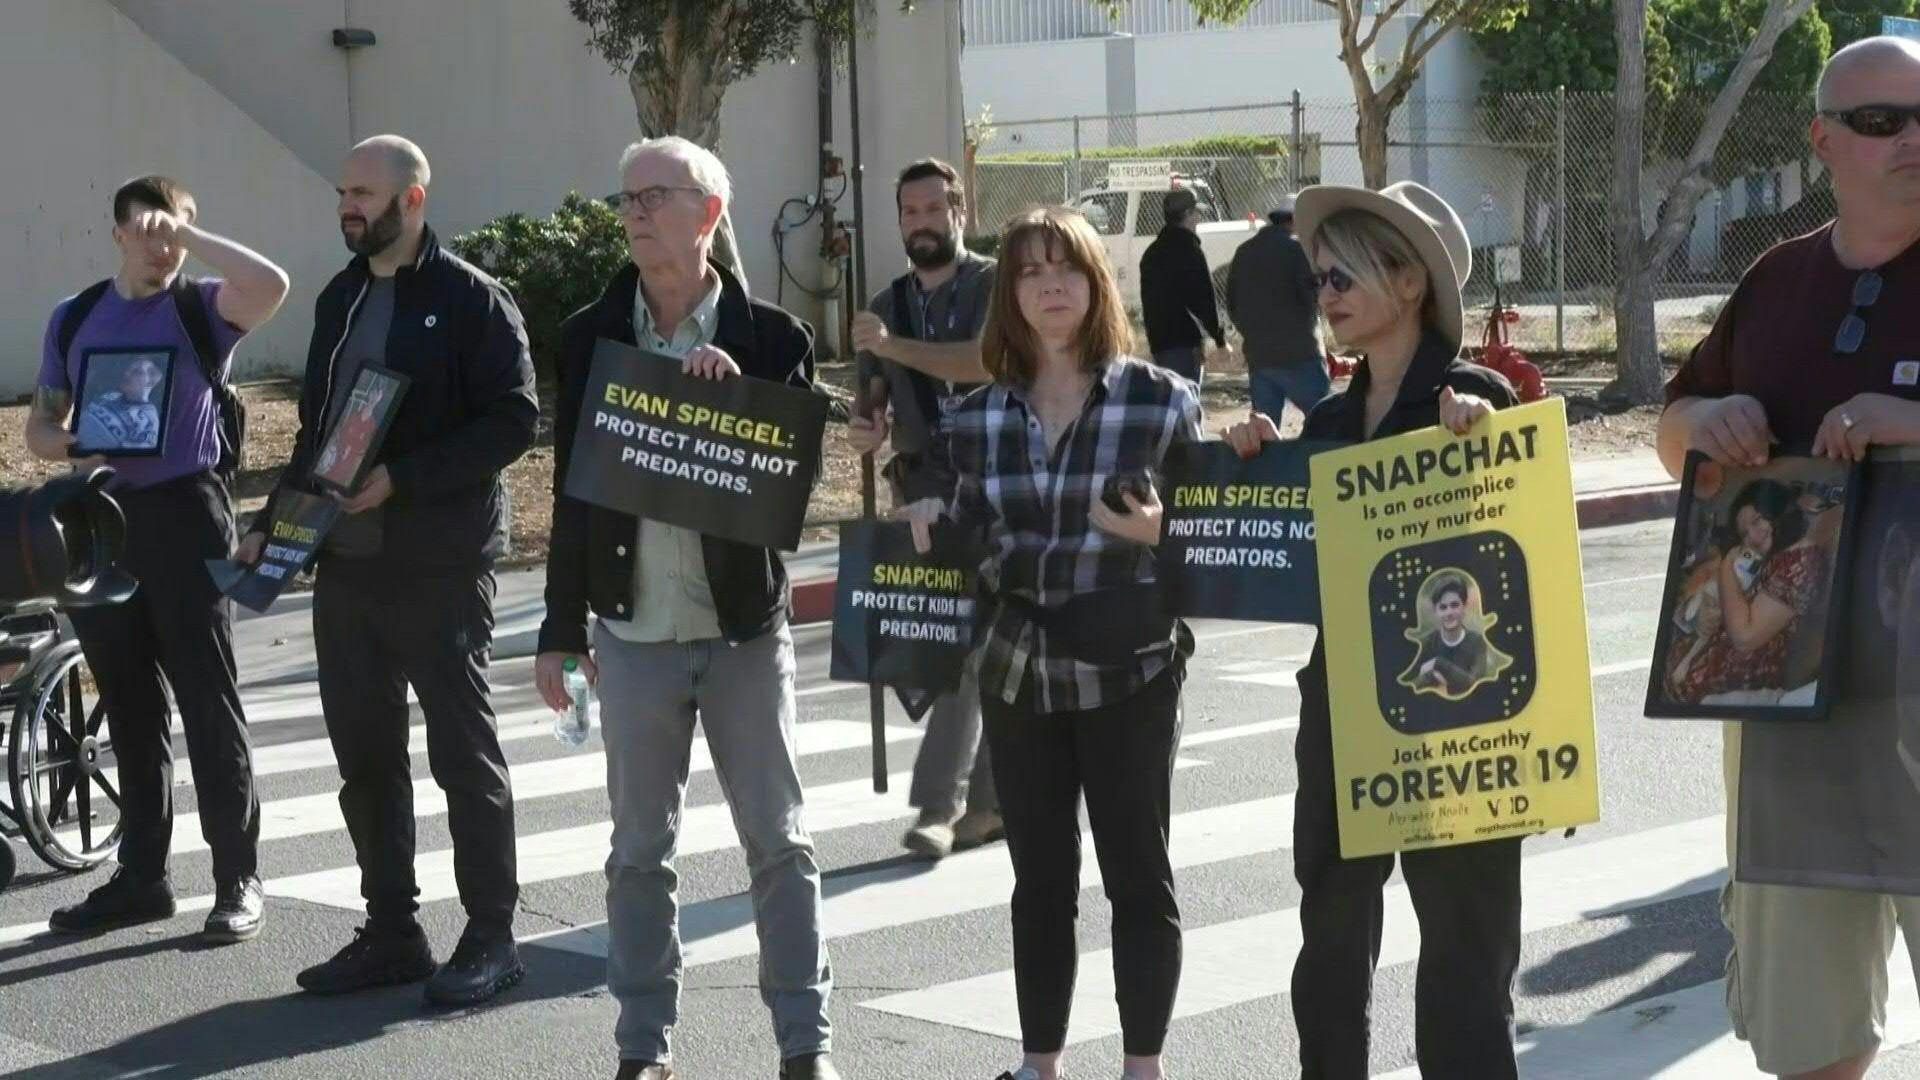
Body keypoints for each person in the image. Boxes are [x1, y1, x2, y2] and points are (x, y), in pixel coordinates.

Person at [536, 137, 838, 1080]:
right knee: (637, 853)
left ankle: (805, 1046)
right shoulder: (590, 336)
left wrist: (739, 397)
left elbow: (795, 487)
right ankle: (643, 1048)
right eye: (625, 198)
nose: (633, 213)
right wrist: (558, 631)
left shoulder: (774, 337)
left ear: (708, 213)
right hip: (633, 631)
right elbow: (573, 494)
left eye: (654, 196)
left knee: (779, 844)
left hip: (743, 629)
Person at [1654, 35, 1920, 1080]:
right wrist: (1708, 419)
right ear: (1823, 141)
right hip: (1787, 707)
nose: (1912, 139)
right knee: (1809, 1035)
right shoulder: (1776, 279)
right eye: (1882, 121)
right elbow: (1674, 426)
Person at [1226, 180, 1523, 1078]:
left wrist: (1484, 431)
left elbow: (1522, 527)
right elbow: (1292, 563)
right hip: (1344, 707)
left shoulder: (1474, 395)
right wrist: (1255, 466)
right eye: (1319, 278)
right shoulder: (1326, 418)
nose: (1326, 294)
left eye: (1343, 275)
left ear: (1409, 283)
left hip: (1455, 718)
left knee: (1465, 943)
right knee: (1331, 925)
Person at [902, 205, 1202, 1080]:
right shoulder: (973, 419)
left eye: (1066, 267)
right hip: (1017, 669)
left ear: (1097, 282)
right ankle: (1041, 1067)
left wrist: (1163, 531)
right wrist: (925, 515)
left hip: (1131, 669)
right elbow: (957, 538)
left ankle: (1142, 1068)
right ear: (1011, 294)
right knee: (1039, 882)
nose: (1050, 286)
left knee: (1138, 875)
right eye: (1030, 272)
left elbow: (1213, 539)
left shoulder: (1160, 400)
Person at [247, 136, 538, 1006]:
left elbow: (514, 421)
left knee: (462, 755)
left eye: (363, 192)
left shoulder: (472, 299)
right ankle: (392, 932)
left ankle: (491, 936)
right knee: (366, 760)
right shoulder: (339, 298)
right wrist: (271, 527)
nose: (347, 205)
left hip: (440, 565)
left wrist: (404, 478)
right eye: (343, 191)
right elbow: (320, 433)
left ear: (412, 199)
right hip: (345, 566)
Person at [27, 175, 288, 943]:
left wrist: (190, 234)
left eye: (174, 232)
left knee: (208, 697)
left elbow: (271, 284)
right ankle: (142, 878)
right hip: (101, 518)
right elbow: (40, 428)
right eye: (147, 230)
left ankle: (237, 877)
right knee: (128, 702)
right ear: (117, 233)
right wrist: (80, 442)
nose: (162, 245)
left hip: (186, 512)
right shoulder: (75, 315)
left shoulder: (202, 306)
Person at [846, 157, 1002, 860]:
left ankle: (943, 806)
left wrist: (892, 347)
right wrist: (866, 426)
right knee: (951, 650)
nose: (922, 223)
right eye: (910, 212)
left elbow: (986, 362)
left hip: (995, 487)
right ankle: (986, 805)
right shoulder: (886, 304)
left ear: (960, 211)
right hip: (922, 496)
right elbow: (872, 400)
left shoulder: (996, 283)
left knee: (976, 648)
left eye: (935, 208)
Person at [1666, 480, 1828, 704]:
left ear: (1777, 510)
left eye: (1757, 520)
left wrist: (1727, 565)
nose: (1753, 536)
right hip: (1696, 663)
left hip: (1735, 678)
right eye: (1744, 533)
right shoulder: (1765, 561)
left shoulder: (1799, 559)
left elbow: (1744, 636)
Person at [1227, 195, 1330, 423]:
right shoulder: (1297, 250)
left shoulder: (1243, 252)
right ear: (1295, 220)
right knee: (1324, 425)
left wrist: (1252, 333)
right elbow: (1312, 298)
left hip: (1259, 358)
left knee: (1265, 430)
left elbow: (1232, 305)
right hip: (1301, 355)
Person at [1138, 188, 1226, 385]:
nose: (1199, 218)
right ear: (1187, 214)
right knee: (1186, 397)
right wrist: (1219, 339)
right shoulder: (1190, 250)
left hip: (1160, 343)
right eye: (1196, 213)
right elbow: (1204, 299)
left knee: (1168, 397)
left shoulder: (1151, 254)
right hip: (1185, 343)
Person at [1403, 573, 1499, 698]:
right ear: (1436, 611)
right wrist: (1430, 678)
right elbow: (1409, 687)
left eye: (1454, 605)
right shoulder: (1428, 643)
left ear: (1464, 607)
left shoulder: (1477, 642)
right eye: (1443, 607)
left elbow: (1474, 683)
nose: (1449, 613)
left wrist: (1438, 663)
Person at [77, 355, 167, 451]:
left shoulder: (148, 423)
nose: (126, 374)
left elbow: (131, 457)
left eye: (136, 372)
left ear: (151, 381)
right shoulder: (110, 395)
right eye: (128, 369)